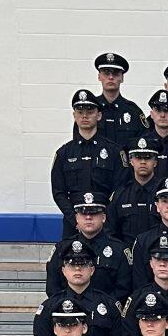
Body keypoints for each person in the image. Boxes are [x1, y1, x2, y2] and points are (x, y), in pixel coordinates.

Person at [34, 240, 124, 336]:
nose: (77, 268)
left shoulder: (110, 305)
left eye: (83, 264)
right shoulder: (49, 307)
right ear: (63, 271)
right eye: (72, 265)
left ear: (92, 270)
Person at [51, 89, 127, 237]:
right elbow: (59, 192)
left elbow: (120, 189)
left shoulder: (114, 152)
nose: (85, 115)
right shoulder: (63, 153)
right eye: (80, 111)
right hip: (74, 225)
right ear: (74, 116)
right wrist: (75, 219)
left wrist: (103, 217)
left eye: (90, 111)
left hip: (107, 224)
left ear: (99, 115)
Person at [45, 194, 132, 302]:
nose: (88, 217)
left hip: (106, 314)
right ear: (76, 217)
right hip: (70, 313)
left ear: (103, 217)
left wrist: (100, 310)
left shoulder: (119, 250)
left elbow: (123, 290)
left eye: (94, 213)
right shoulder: (61, 249)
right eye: (83, 213)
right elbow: (53, 287)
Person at [107, 137, 164, 244]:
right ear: (131, 161)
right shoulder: (121, 195)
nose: (143, 162)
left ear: (155, 162)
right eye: (138, 158)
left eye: (148, 158)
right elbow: (111, 231)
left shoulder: (164, 194)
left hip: (159, 255)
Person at [93, 52, 147, 148]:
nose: (110, 77)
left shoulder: (134, 111)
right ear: (99, 77)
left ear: (122, 78)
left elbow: (143, 145)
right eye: (106, 73)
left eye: (115, 73)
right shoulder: (90, 109)